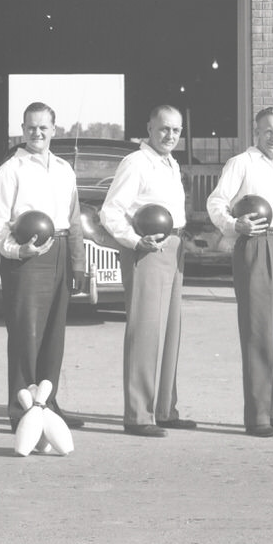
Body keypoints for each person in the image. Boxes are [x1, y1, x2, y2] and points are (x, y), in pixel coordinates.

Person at [206, 106, 273, 438]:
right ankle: (258, 416)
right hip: (256, 245)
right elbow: (215, 202)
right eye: (268, 131)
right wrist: (234, 224)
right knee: (258, 332)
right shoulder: (241, 163)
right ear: (257, 131)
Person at [0, 102, 88, 432]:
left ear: (54, 130)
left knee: (53, 336)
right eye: (31, 127)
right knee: (24, 336)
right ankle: (21, 411)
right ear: (23, 128)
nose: (37, 133)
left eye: (43, 127)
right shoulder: (9, 170)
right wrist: (17, 250)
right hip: (27, 258)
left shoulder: (63, 169)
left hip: (58, 251)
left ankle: (48, 405)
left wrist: (77, 264)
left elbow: (73, 221)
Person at [99, 104, 195, 437]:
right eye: (164, 129)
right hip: (147, 250)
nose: (170, 136)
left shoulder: (170, 163)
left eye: (176, 130)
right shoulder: (136, 163)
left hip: (175, 248)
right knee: (146, 332)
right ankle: (138, 415)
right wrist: (134, 240)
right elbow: (111, 212)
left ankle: (165, 410)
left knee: (170, 332)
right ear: (149, 129)